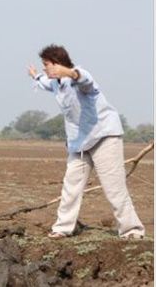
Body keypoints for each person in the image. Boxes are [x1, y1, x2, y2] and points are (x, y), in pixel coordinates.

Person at [27, 44, 145, 239]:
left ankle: (132, 230)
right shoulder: (55, 83)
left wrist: (69, 72)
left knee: (114, 187)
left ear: (57, 64)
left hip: (104, 137)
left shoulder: (78, 78)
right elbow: (44, 82)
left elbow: (84, 79)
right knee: (71, 185)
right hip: (79, 143)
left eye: (46, 65)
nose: (44, 69)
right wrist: (34, 75)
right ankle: (63, 228)